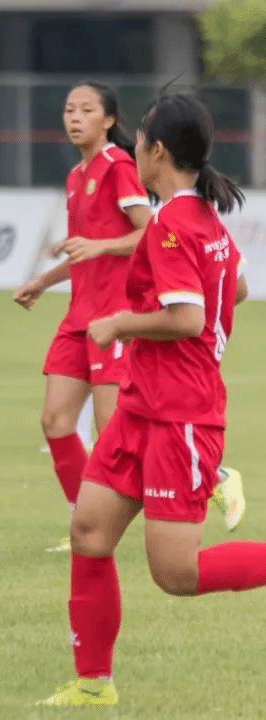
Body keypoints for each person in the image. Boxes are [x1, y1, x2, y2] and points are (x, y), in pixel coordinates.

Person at [38, 92, 266, 707]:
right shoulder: (201, 216)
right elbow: (238, 288)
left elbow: (187, 318)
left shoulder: (172, 224)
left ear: (157, 150)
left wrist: (120, 323)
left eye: (139, 138)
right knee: (89, 531)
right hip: (142, 406)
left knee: (175, 575)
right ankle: (93, 684)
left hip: (180, 418)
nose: (133, 147)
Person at [13, 82, 244, 553]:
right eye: (68, 108)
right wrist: (45, 280)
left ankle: (205, 479)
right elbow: (89, 249)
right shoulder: (77, 176)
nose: (74, 117)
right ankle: (84, 520)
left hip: (119, 317)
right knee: (55, 419)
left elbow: (146, 234)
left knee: (113, 431)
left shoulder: (121, 170)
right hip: (83, 316)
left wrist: (124, 315)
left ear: (109, 121)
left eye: (86, 109)